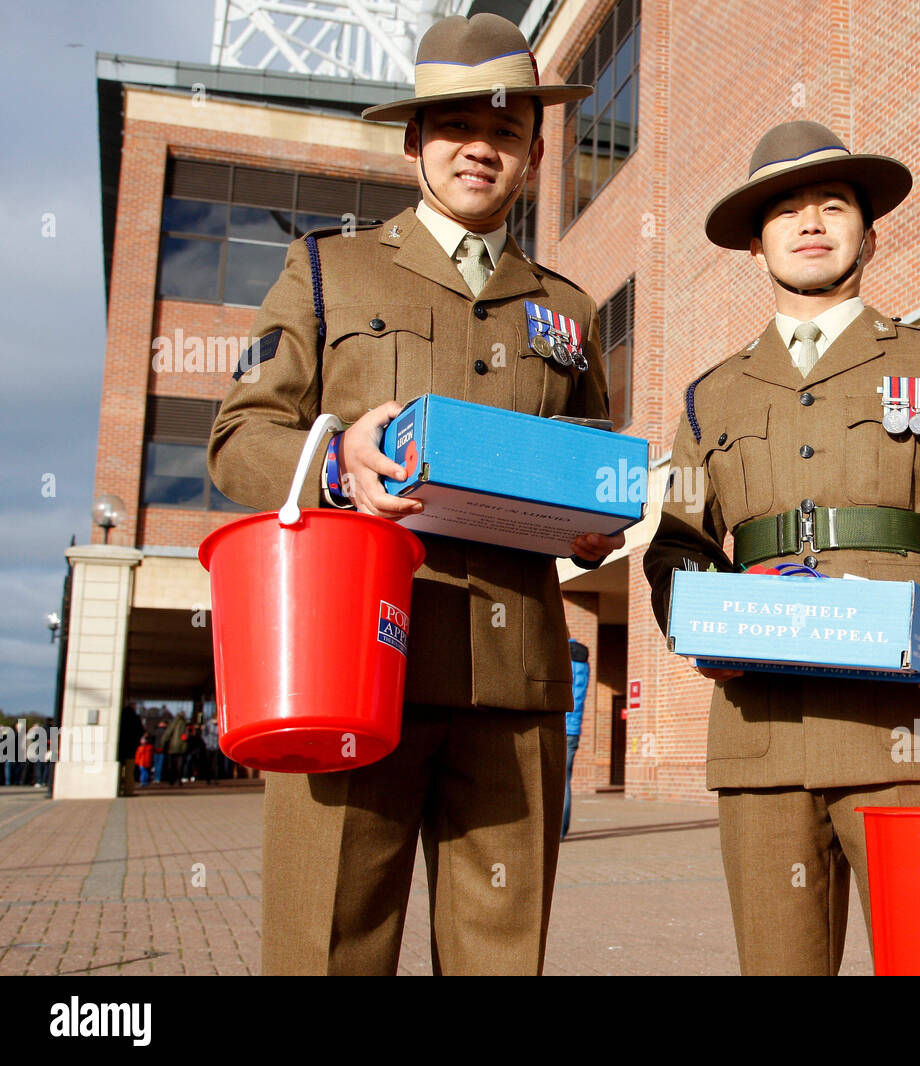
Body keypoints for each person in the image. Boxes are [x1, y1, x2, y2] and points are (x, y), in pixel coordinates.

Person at [208, 13, 618, 975]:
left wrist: (599, 524)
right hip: (353, 664)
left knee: (500, 960)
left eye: (506, 128)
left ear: (536, 152)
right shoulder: (327, 269)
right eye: (453, 125)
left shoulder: (570, 310)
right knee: (328, 951)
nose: (481, 144)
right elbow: (238, 440)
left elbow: (587, 465)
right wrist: (336, 460)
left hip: (513, 685)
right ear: (412, 142)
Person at [643, 120, 920, 975]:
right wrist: (697, 625)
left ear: (868, 234)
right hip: (763, 734)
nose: (810, 222)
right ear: (755, 248)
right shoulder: (709, 397)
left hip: (906, 724)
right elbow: (676, 542)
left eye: (833, 204)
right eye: (784, 210)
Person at [562, 639, 590, 839]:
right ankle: (561, 830)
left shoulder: (560, 660)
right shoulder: (582, 663)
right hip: (573, 730)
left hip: (557, 728)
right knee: (565, 781)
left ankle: (551, 829)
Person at [117, 702, 144, 797]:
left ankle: (117, 788)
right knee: (129, 770)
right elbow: (141, 731)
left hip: (119, 746)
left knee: (119, 768)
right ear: (133, 707)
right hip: (131, 748)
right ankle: (128, 791)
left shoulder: (119, 716)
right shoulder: (135, 718)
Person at [160, 713, 189, 787]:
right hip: (182, 746)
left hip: (173, 746)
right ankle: (179, 779)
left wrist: (163, 743)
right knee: (180, 764)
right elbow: (186, 735)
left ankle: (171, 779)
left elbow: (168, 733)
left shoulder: (174, 723)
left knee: (172, 764)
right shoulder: (184, 724)